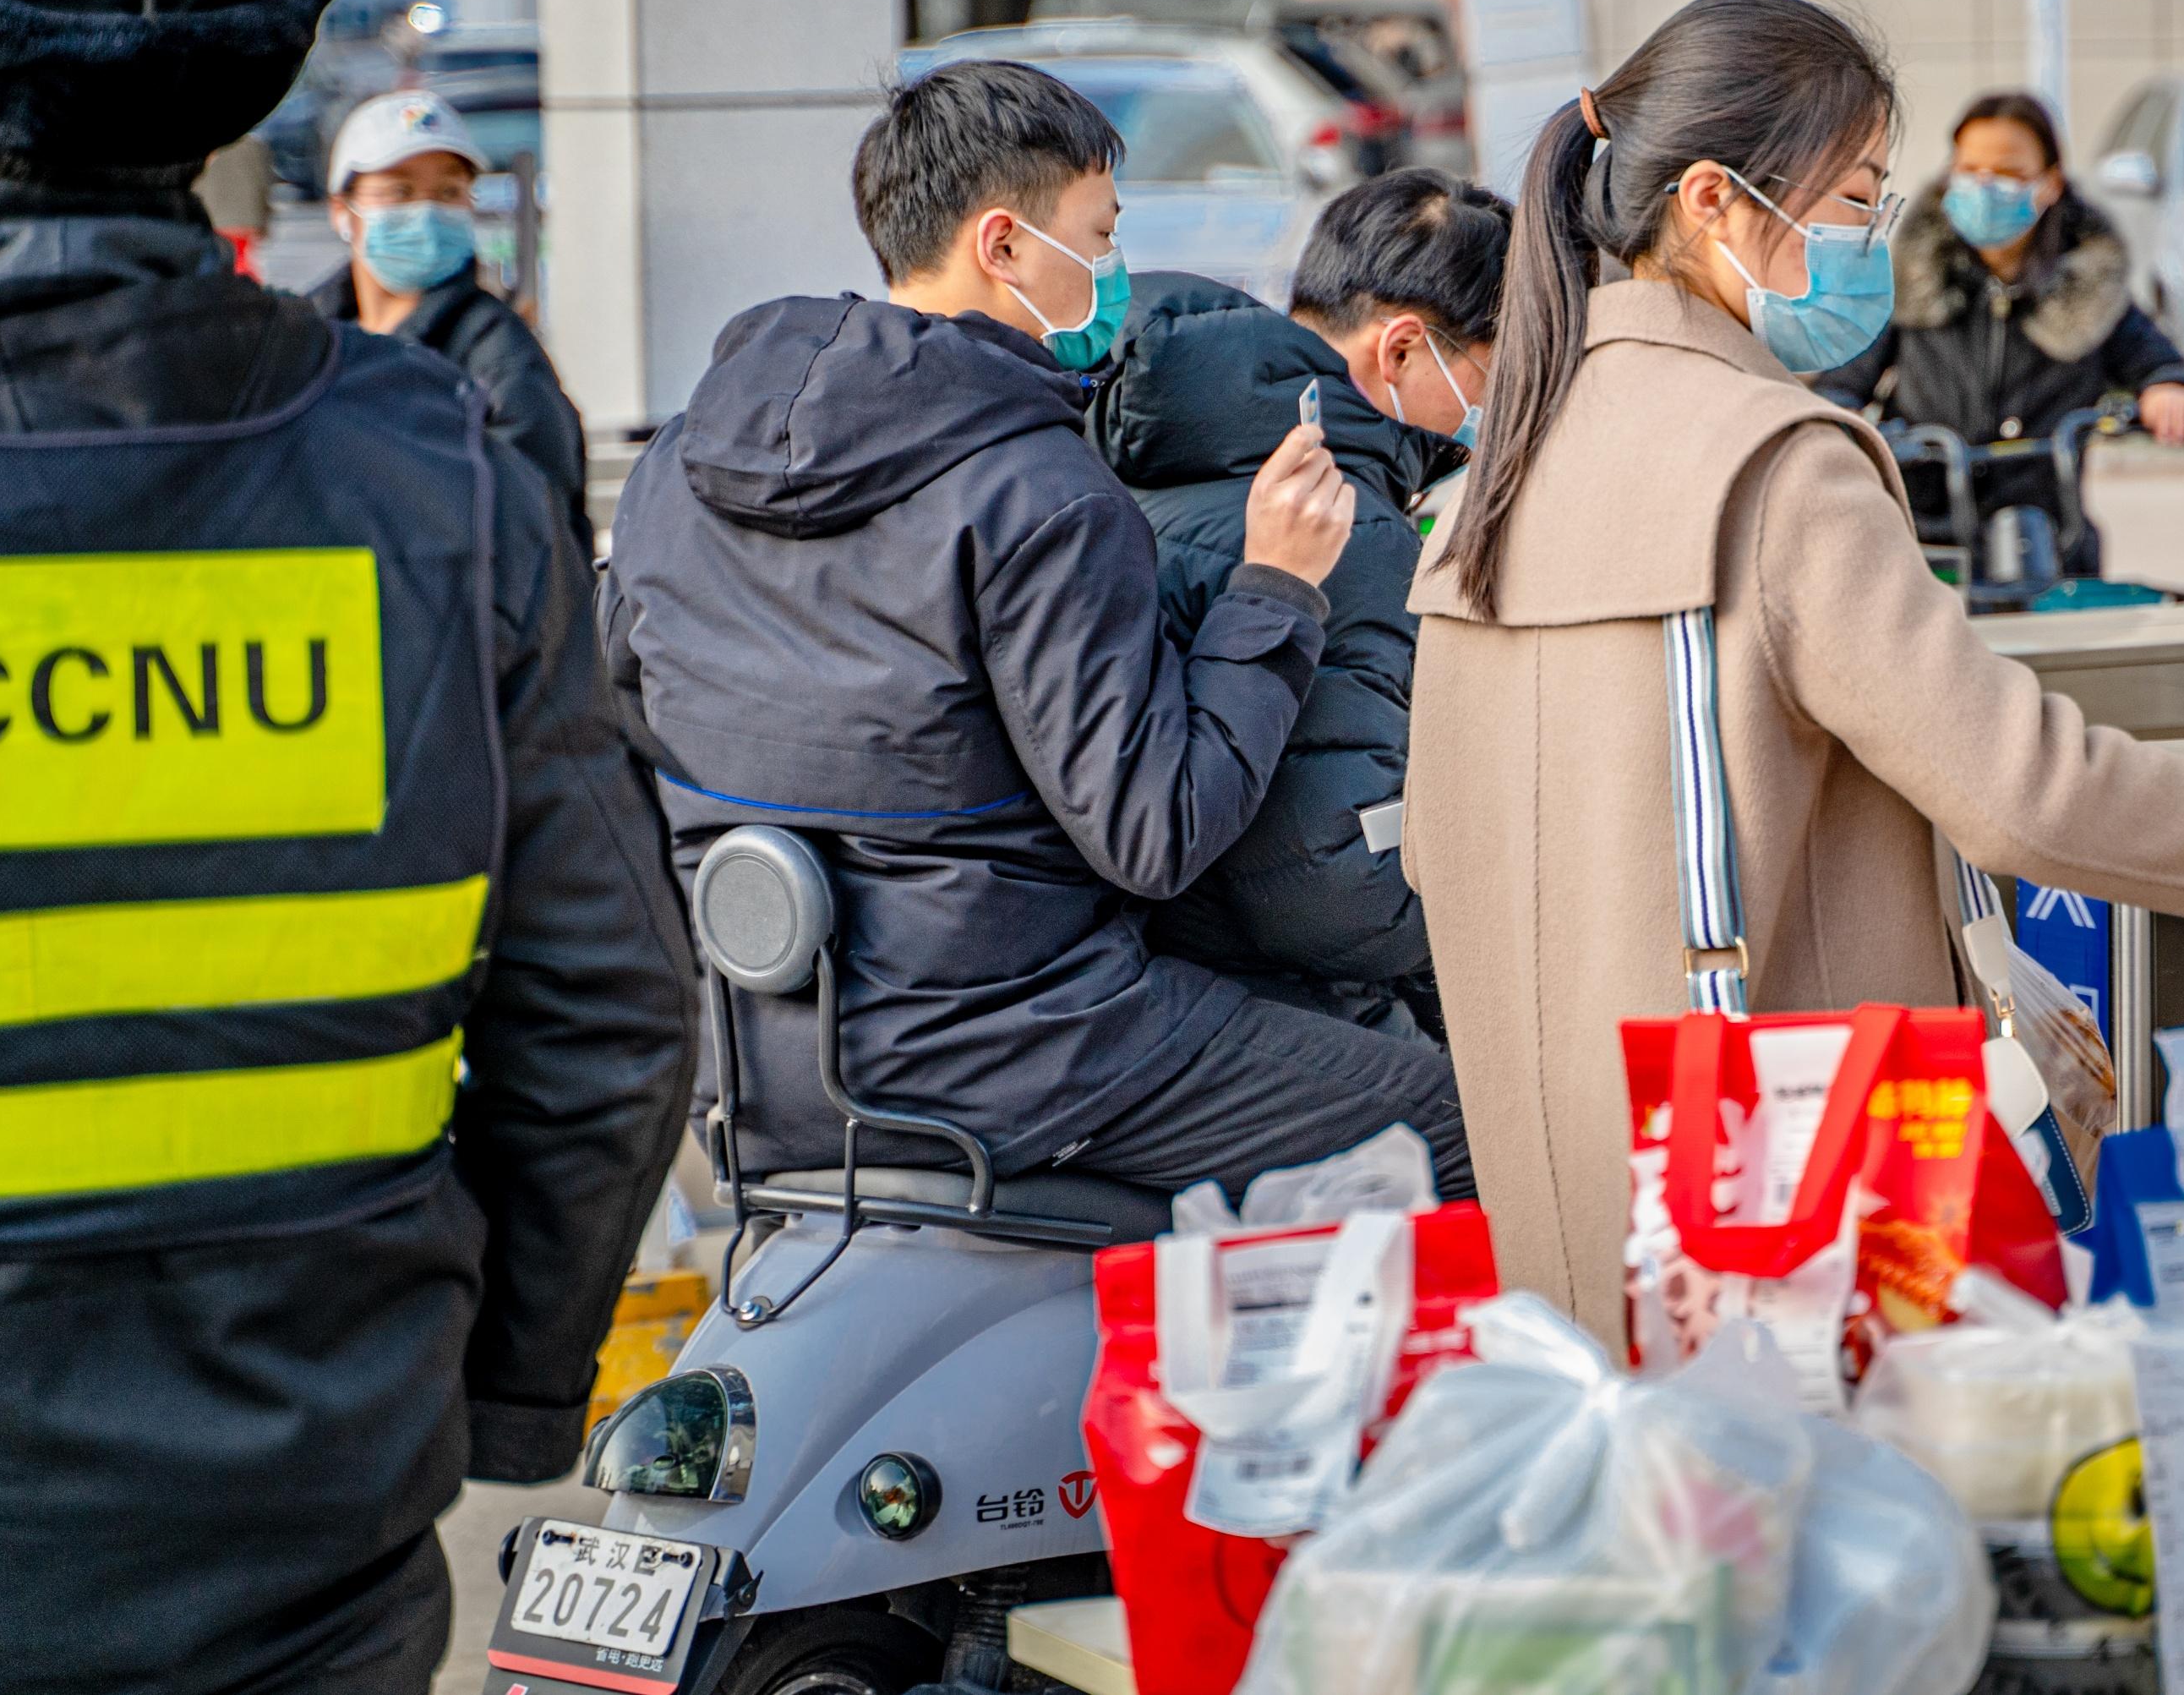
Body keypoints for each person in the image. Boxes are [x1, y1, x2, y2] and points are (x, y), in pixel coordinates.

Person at [0, 0, 695, 1692]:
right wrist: (503, 1396)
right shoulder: (426, 462)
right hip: (323, 1505)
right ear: (222, 138)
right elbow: (608, 1011)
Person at [1402, 0, 2184, 1342]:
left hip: (1558, 1202)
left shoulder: (1494, 469)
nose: (1872, 238)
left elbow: (1437, 844)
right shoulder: (1776, 465)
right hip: (1779, 1197)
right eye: (1851, 197)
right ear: (1717, 200)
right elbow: (2020, 789)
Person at [601, 61, 1474, 1201]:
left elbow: (624, 719)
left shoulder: (677, 463)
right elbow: (1157, 830)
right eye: (1098, 235)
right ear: (1004, 243)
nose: (1110, 273)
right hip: (1032, 1060)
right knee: (1455, 1123)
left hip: (767, 1064)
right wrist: (1276, 586)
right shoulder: (1040, 493)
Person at [1088, 168, 1507, 1034]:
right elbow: (1338, 895)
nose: (1507, 409)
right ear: (1400, 350)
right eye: (1502, 373)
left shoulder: (1144, 451)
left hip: (1141, 967)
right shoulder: (1344, 528)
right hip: (1271, 1005)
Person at [1815, 90, 2184, 572]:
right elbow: (1839, 384)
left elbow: (2162, 365)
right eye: (1970, 170)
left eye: (2009, 174)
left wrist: (2170, 389)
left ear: (2049, 184)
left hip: (2049, 535)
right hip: (1922, 538)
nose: (1987, 186)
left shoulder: (2090, 288)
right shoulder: (1909, 280)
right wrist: (1845, 425)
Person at [315, 87, 594, 555]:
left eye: (448, 192)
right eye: (400, 191)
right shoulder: (304, 337)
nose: (426, 213)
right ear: (343, 212)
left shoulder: (500, 356)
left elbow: (536, 530)